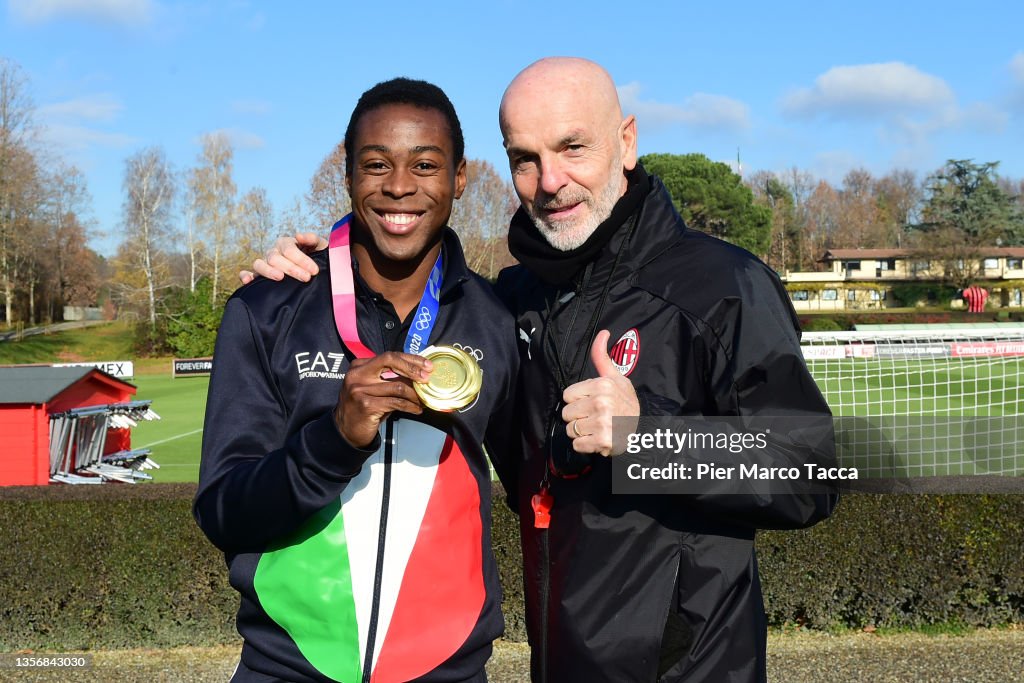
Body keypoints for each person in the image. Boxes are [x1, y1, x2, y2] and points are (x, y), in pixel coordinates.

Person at [249, 58, 839, 683]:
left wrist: (651, 437)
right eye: (524, 158)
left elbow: (813, 471)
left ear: (627, 142)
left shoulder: (723, 286)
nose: (549, 180)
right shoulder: (511, 301)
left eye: (572, 148)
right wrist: (309, 272)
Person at [196, 78, 520, 683]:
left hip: (448, 669)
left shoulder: (498, 323)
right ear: (347, 175)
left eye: (425, 164)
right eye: (376, 165)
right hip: (287, 669)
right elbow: (222, 514)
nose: (399, 186)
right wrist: (334, 440)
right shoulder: (266, 309)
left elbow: (546, 492)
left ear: (460, 179)